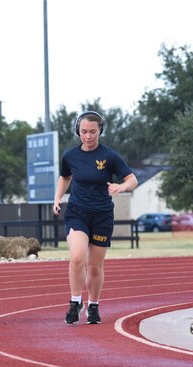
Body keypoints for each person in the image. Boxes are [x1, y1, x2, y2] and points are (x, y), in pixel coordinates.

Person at [53, 111, 138, 325]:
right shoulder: (70, 156)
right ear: (77, 131)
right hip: (77, 212)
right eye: (83, 132)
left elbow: (132, 179)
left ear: (100, 131)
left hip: (101, 216)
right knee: (77, 257)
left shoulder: (109, 156)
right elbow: (65, 177)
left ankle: (93, 306)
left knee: (94, 265)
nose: (88, 136)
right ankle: (74, 302)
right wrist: (57, 198)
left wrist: (122, 186)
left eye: (92, 132)